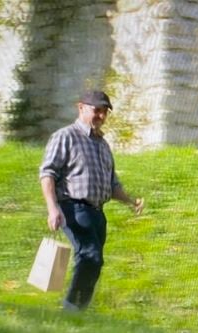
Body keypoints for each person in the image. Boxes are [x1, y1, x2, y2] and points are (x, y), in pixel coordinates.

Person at [39, 90, 144, 311]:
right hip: (72, 208)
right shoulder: (65, 136)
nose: (101, 116)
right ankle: (71, 312)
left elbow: (112, 185)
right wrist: (52, 208)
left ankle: (78, 312)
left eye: (105, 112)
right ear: (81, 108)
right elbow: (47, 173)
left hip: (97, 214)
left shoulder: (103, 145)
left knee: (94, 262)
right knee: (90, 257)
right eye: (97, 110)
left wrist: (130, 201)